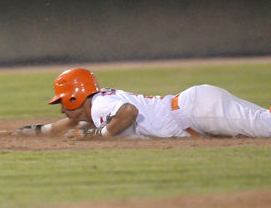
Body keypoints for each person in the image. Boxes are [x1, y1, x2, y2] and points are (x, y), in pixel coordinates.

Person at [16, 68, 271, 139]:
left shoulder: (102, 106)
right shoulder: (97, 103)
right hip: (196, 112)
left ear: (75, 97)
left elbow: (129, 111)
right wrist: (42, 131)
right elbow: (73, 120)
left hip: (197, 112)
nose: (61, 107)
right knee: (263, 120)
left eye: (62, 101)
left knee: (266, 127)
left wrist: (102, 134)